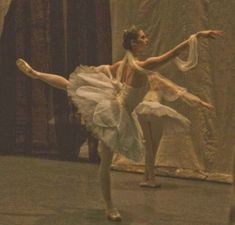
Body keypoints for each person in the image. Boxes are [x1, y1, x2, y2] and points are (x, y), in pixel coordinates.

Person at [16, 26, 222, 221]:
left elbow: (167, 77)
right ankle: (109, 206)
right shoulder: (141, 65)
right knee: (104, 159)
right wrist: (197, 36)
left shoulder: (124, 64)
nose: (146, 40)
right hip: (114, 114)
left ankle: (36, 74)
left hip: (115, 108)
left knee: (72, 87)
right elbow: (171, 54)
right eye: (142, 37)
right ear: (133, 43)